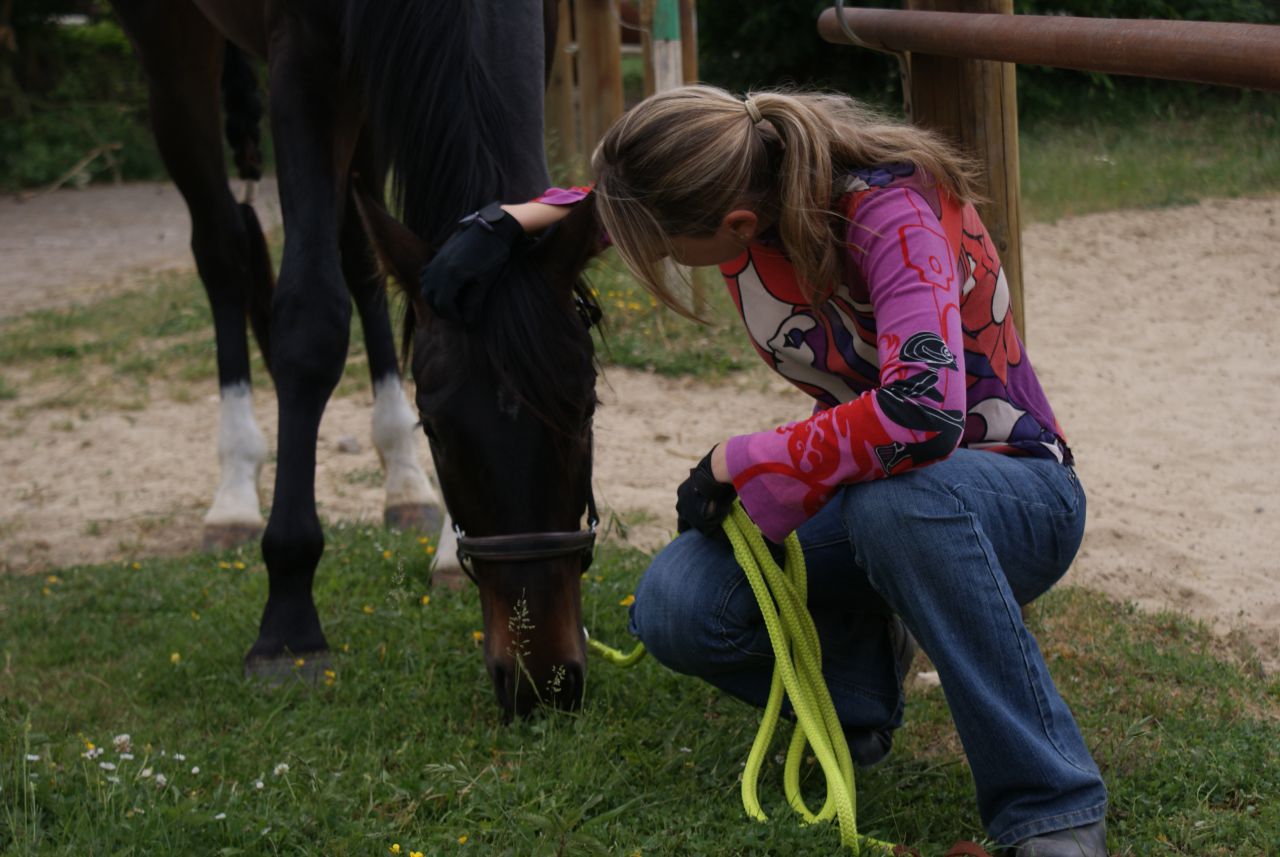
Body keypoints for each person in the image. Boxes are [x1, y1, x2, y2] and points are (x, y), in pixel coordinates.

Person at [419, 85, 1109, 857]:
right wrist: (503, 222)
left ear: (737, 226)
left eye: (663, 246)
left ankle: (1052, 805)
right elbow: (623, 204)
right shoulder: (741, 180)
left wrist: (741, 459)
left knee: (895, 509)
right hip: (874, 492)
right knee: (677, 602)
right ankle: (855, 702)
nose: (652, 257)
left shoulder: (892, 214)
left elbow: (925, 412)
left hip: (1015, 494)